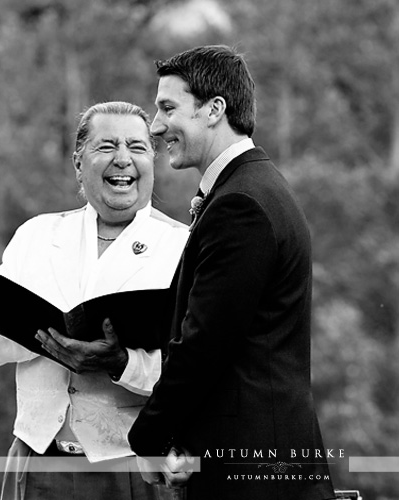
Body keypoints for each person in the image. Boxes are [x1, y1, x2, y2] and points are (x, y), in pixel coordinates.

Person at [126, 45, 335, 500]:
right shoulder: (254, 188)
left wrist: (147, 439)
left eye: (167, 108)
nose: (157, 126)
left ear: (214, 109)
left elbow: (204, 343)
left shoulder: (240, 205)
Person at [0, 101, 189, 500]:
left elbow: (200, 371)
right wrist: (39, 335)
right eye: (106, 147)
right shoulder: (37, 234)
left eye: (137, 147)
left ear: (153, 160)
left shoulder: (183, 246)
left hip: (135, 469)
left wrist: (123, 364)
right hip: (35, 461)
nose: (123, 159)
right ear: (78, 163)